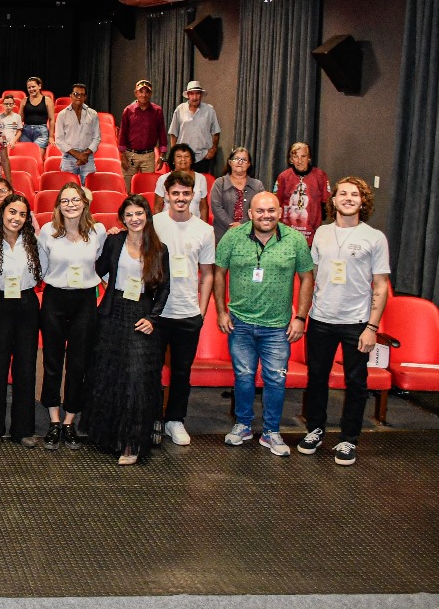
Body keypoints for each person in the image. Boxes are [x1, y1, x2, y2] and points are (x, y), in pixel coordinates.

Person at [298, 177, 391, 466]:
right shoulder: (322, 233)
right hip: (321, 319)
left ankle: (349, 438)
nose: (348, 198)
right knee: (316, 379)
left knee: (356, 383)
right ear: (334, 200)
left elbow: (381, 286)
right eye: (343, 194)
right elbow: (311, 276)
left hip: (357, 322)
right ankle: (315, 430)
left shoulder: (374, 238)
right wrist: (302, 314)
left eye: (355, 194)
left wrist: (372, 328)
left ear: (363, 202)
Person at [215, 192, 314, 456]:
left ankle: (271, 431)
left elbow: (307, 278)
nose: (266, 215)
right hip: (240, 323)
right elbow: (219, 273)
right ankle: (243, 425)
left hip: (278, 327)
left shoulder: (295, 240)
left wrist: (300, 317)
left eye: (271, 210)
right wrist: (221, 312)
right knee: (244, 377)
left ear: (280, 212)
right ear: (250, 214)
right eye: (260, 211)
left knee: (276, 379)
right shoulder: (233, 237)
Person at [89, 195, 170, 465]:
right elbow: (98, 269)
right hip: (113, 312)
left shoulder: (159, 248)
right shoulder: (114, 241)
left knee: (137, 379)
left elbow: (164, 288)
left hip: (142, 314)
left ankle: (132, 443)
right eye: (129, 215)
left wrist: (153, 318)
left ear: (147, 215)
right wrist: (107, 285)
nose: (134, 219)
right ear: (122, 219)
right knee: (111, 374)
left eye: (139, 213)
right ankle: (111, 437)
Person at [37, 182, 106, 451]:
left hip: (85, 301)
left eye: (75, 199)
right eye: (65, 201)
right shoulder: (48, 231)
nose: (70, 205)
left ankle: (69, 421)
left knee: (78, 364)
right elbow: (42, 268)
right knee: (52, 362)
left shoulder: (98, 231)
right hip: (54, 299)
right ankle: (54, 420)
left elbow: (102, 264)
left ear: (85, 203)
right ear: (58, 206)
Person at [152, 170, 216, 447]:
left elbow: (208, 273)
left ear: (193, 196)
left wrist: (201, 311)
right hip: (156, 312)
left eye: (186, 193)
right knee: (151, 369)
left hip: (187, 312)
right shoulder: (153, 223)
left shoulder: (205, 230)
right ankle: (153, 417)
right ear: (166, 195)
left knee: (181, 371)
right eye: (175, 193)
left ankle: (175, 420)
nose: (180, 198)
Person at [0, 193, 42, 447]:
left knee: (25, 367)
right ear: (2, 213)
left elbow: (43, 271)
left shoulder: (34, 242)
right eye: (12, 212)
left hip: (27, 303)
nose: (16, 218)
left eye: (22, 214)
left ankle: (23, 429)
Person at [274, 142, 330, 245]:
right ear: (291, 160)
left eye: (303, 156)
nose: (300, 161)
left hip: (311, 236)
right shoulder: (283, 177)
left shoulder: (320, 176)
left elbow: (326, 202)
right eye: (296, 157)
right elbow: (276, 203)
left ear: (309, 158)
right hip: (287, 235)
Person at [209, 147, 267, 244]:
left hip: (250, 235)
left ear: (249, 164)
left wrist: (241, 224)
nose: (240, 162)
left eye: (244, 160)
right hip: (223, 234)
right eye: (236, 159)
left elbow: (260, 208)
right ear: (230, 162)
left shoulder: (257, 185)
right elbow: (216, 207)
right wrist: (231, 224)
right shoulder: (219, 183)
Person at [118, 79, 167, 188]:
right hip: (130, 154)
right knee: (128, 188)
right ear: (136, 93)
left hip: (148, 156)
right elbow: (122, 133)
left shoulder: (157, 111)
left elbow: (162, 134)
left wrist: (162, 156)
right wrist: (123, 156)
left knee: (147, 187)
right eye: (141, 91)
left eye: (147, 92)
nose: (144, 95)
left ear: (151, 94)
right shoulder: (128, 111)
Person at [167, 80, 220, 174]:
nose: (195, 97)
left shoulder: (209, 110)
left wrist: (213, 149)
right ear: (188, 95)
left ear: (201, 95)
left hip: (203, 157)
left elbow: (216, 132)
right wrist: (174, 154)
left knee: (201, 182)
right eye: (192, 94)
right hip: (183, 158)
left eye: (197, 94)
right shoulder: (179, 109)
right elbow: (173, 134)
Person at [55, 83, 101, 183]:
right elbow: (59, 139)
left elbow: (97, 138)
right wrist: (77, 155)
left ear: (85, 97)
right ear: (70, 96)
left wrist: (85, 154)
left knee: (88, 190)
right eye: (76, 94)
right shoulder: (62, 115)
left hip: (87, 158)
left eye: (82, 94)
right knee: (69, 189)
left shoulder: (93, 114)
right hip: (68, 158)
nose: (79, 97)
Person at [154, 143, 209, 222]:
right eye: (179, 156)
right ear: (173, 160)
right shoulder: (163, 179)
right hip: (168, 223)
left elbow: (203, 207)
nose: (183, 159)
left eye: (186, 156)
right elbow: (157, 207)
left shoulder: (201, 179)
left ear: (191, 160)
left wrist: (203, 226)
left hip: (194, 223)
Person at [19, 76, 56, 154]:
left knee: (37, 157)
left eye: (33, 87)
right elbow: (19, 119)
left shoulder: (47, 100)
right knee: (26, 157)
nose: (31, 89)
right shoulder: (24, 100)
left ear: (39, 86)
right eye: (29, 88)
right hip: (26, 132)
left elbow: (52, 119)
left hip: (41, 132)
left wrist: (51, 137)